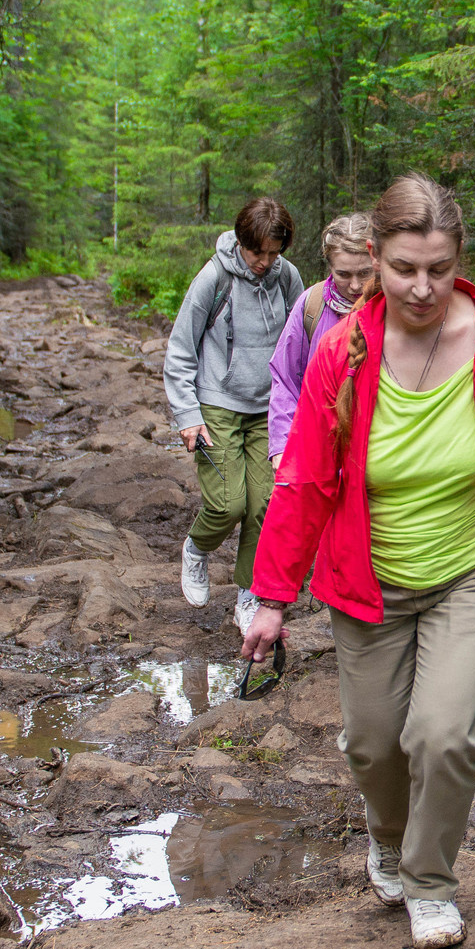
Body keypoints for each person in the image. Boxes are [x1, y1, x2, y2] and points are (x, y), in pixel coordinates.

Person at [243, 176, 475, 949]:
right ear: (371, 259)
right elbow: (304, 482)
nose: (422, 287)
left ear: (459, 256)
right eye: (403, 268)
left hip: (471, 573)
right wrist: (270, 596)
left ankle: (430, 882)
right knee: (372, 741)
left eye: (438, 266)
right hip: (370, 580)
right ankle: (387, 838)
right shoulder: (341, 352)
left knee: (442, 735)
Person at [163, 197, 305, 631]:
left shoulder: (287, 277)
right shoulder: (214, 277)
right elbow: (181, 349)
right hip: (217, 404)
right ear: (241, 241)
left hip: (269, 409)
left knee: (265, 505)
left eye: (274, 252)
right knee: (228, 505)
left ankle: (249, 593)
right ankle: (196, 549)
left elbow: (303, 338)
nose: (264, 262)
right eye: (257, 251)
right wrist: (188, 415)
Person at [265, 212, 374, 464]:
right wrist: (282, 447)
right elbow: (285, 377)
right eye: (343, 274)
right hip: (317, 450)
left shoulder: (396, 309)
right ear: (329, 266)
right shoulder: (312, 305)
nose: (355, 286)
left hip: (375, 454)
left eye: (365, 273)